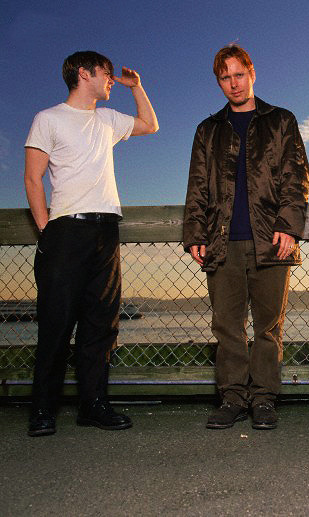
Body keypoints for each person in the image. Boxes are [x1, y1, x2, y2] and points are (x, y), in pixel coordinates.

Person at [24, 51, 159, 437]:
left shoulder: (108, 119)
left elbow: (150, 124)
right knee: (56, 323)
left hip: (106, 230)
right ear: (84, 74)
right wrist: (46, 230)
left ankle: (93, 405)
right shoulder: (48, 119)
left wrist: (137, 87)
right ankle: (43, 409)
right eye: (107, 74)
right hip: (65, 231)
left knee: (101, 324)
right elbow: (33, 178)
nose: (112, 80)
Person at [183, 45, 309, 430]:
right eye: (225, 78)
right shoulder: (208, 129)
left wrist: (288, 226)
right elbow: (197, 185)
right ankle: (233, 398)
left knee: (269, 326)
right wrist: (195, 233)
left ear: (252, 74)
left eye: (239, 75)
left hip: (271, 239)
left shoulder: (281, 120)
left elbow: (296, 176)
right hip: (221, 241)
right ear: (218, 82)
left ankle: (264, 399)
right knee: (227, 326)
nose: (233, 84)